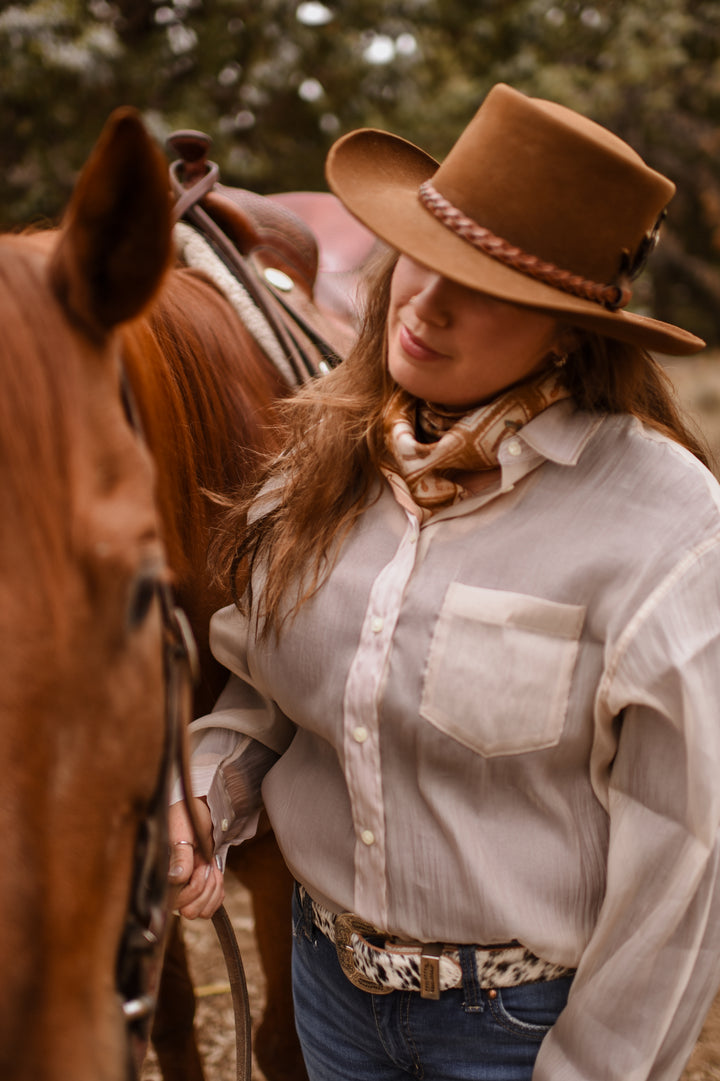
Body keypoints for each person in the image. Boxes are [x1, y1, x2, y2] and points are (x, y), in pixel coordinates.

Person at [167, 83, 720, 1081]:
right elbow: (271, 697)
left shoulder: (662, 527)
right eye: (424, 254)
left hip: (518, 1033)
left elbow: (685, 855)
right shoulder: (313, 472)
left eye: (491, 288)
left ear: (567, 331)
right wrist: (213, 789)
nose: (426, 304)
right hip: (326, 997)